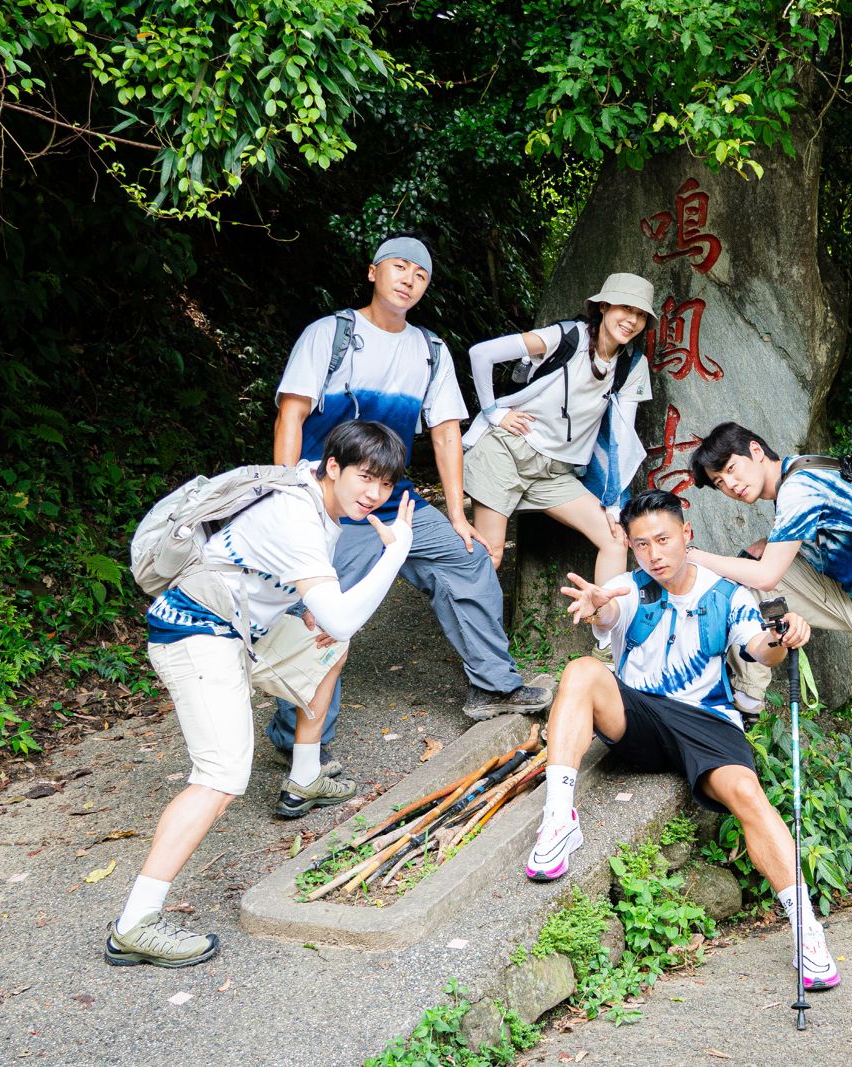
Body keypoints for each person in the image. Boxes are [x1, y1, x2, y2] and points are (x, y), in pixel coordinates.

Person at [107, 421, 414, 967]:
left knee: (327, 649)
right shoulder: (297, 512)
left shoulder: (324, 504)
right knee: (221, 776)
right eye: (365, 477)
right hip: (196, 634)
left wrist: (317, 619)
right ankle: (135, 923)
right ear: (333, 467)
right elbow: (343, 613)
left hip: (240, 630)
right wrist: (396, 552)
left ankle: (304, 775)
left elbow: (320, 613)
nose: (375, 494)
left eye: (386, 485)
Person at [524, 489, 840, 992]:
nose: (655, 554)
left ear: (687, 535)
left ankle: (806, 929)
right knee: (583, 670)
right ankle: (560, 819)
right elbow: (607, 618)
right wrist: (598, 606)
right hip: (642, 717)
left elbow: (760, 651)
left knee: (748, 796)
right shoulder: (626, 588)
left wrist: (780, 638)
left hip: (708, 722)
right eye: (642, 544)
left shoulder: (726, 593)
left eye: (664, 539)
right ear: (630, 546)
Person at [266, 234, 549, 751]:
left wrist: (459, 516)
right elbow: (293, 413)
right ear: (373, 272)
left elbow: (445, 432)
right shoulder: (329, 335)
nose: (409, 280)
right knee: (318, 619)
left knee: (467, 561)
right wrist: (286, 494)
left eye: (420, 275)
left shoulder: (430, 350)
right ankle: (298, 743)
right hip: (327, 504)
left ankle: (494, 687)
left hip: (397, 503)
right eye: (399, 268)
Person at [688, 422, 852, 926]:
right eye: (720, 483)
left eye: (730, 469)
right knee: (754, 559)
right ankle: (747, 699)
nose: (730, 485)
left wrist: (693, 556)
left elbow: (767, 575)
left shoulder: (801, 488)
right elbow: (770, 565)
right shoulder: (800, 475)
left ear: (755, 450)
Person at [461, 272, 655, 586]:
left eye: (641, 315)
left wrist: (615, 502)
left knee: (616, 539)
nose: (632, 320)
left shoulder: (632, 365)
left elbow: (622, 434)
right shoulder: (566, 337)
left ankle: (605, 626)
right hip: (506, 452)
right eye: (626, 308)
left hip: (555, 471)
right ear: (604, 306)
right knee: (490, 554)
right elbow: (481, 355)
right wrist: (493, 412)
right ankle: (476, 632)